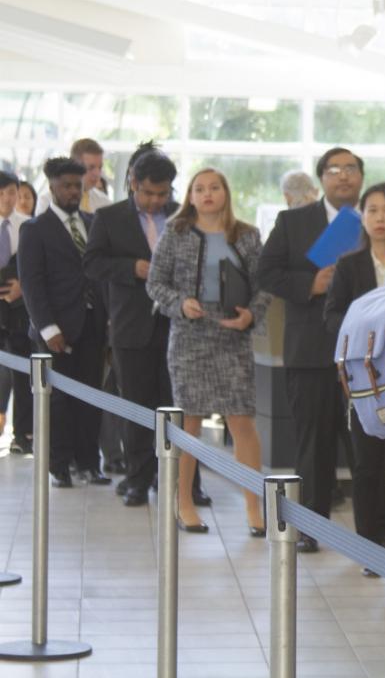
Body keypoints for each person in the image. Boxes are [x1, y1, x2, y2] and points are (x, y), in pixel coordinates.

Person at [147, 169, 268, 534]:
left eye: (214, 187)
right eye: (200, 189)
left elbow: (264, 287)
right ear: (190, 196)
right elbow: (155, 283)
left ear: (226, 193)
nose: (208, 194)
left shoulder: (247, 235)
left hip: (233, 338)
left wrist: (251, 314)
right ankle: (183, 502)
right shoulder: (176, 231)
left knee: (242, 421)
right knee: (189, 422)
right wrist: (181, 303)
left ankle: (254, 508)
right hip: (189, 338)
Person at [257, 147, 364, 552]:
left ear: (361, 177)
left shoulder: (376, 217)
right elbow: (266, 272)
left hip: (364, 354)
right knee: (313, 446)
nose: (343, 176)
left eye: (351, 169)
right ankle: (309, 528)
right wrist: (309, 285)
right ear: (321, 179)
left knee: (364, 447)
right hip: (310, 350)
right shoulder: (293, 221)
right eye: (334, 170)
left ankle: (374, 537)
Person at [323, 182, 385, 566]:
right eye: (372, 210)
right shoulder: (350, 264)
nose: (380, 218)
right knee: (366, 464)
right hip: (364, 378)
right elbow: (330, 315)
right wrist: (360, 331)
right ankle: (370, 547)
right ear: (362, 217)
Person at [84, 149, 179, 507]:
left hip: (177, 325)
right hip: (131, 324)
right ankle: (138, 479)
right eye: (149, 193)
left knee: (178, 405)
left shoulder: (182, 216)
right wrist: (130, 268)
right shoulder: (109, 217)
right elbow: (92, 263)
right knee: (137, 405)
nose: (156, 201)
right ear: (134, 184)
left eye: (163, 193)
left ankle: (184, 482)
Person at [18, 157, 108, 487]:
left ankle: (89, 462)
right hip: (55, 329)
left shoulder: (94, 222)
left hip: (92, 324)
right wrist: (48, 328)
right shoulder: (34, 229)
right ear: (52, 187)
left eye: (77, 185)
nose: (73, 191)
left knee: (91, 396)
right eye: (66, 185)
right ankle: (59, 466)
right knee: (58, 400)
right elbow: (31, 283)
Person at [0, 171, 32, 454]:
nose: (6, 199)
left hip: (20, 310)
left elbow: (36, 266)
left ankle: (22, 435)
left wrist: (23, 286)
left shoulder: (27, 226)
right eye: (0, 193)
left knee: (23, 374)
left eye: (11, 192)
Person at [36, 139, 112, 215]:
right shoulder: (47, 202)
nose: (97, 173)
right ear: (75, 165)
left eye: (100, 167)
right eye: (91, 168)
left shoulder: (104, 202)